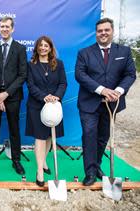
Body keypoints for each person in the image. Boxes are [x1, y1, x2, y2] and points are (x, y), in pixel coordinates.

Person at [75, 18, 136, 186]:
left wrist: (119, 91)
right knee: (89, 135)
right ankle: (90, 173)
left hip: (112, 104)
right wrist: (102, 89)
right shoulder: (84, 53)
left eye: (106, 30)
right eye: (100, 30)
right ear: (96, 33)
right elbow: (80, 75)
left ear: (112, 31)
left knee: (103, 138)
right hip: (89, 104)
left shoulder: (124, 51)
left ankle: (97, 166)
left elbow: (130, 74)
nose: (103, 33)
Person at [0, 17, 27, 175]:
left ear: (13, 29)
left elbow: (22, 75)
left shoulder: (20, 49)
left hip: (13, 97)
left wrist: (6, 94)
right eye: (2, 26)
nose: (4, 29)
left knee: (14, 129)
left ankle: (16, 160)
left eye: (7, 26)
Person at [25, 36, 67, 187]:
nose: (43, 48)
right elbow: (30, 85)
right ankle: (39, 171)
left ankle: (43, 162)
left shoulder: (59, 64)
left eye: (46, 45)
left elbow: (63, 83)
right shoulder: (30, 65)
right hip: (37, 105)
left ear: (50, 48)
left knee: (50, 136)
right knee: (40, 137)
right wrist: (44, 97)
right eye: (40, 45)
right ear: (36, 48)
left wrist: (56, 97)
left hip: (54, 106)